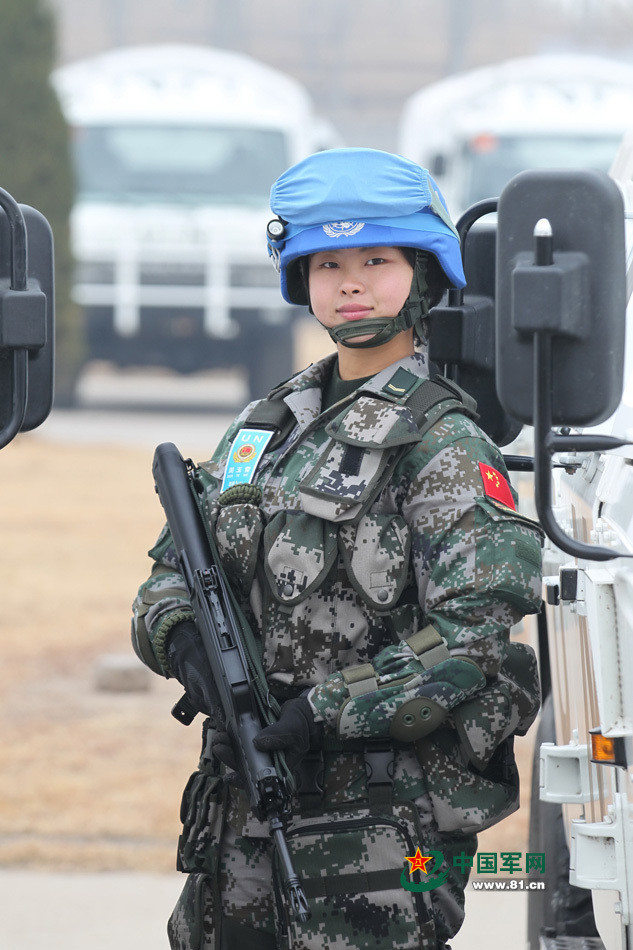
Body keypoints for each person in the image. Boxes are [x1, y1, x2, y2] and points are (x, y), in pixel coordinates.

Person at [132, 147, 543, 950]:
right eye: (327, 263)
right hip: (240, 806)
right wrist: (183, 644)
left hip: (386, 820)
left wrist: (321, 712)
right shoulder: (265, 425)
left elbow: (474, 636)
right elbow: (169, 573)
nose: (350, 281)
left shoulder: (444, 441)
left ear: (422, 274)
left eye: (376, 260)